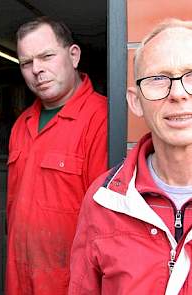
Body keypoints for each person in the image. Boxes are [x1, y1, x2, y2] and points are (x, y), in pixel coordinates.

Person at [69, 18, 192, 294]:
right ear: (135, 101)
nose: (179, 93)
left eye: (191, 75)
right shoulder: (103, 202)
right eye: (158, 79)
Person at [6, 16, 108, 294]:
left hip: (68, 283)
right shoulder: (21, 124)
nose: (36, 70)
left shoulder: (101, 119)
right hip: (19, 278)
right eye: (26, 63)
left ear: (73, 56)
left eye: (47, 56)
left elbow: (106, 226)